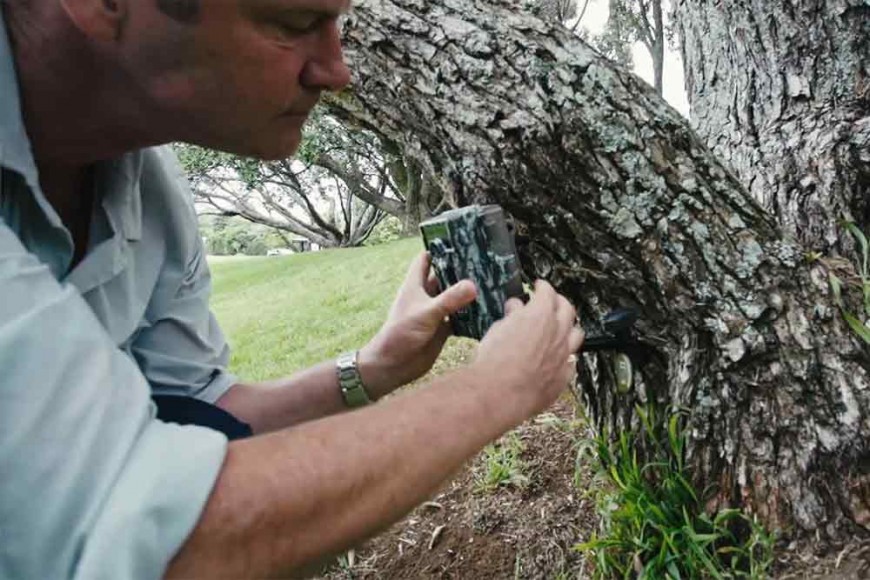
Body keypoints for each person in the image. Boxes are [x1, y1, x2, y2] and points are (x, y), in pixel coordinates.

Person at [0, 0, 585, 578]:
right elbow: (156, 536)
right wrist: (493, 390)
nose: (337, 71)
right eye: (294, 23)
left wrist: (376, 367)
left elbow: (199, 411)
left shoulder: (146, 190)